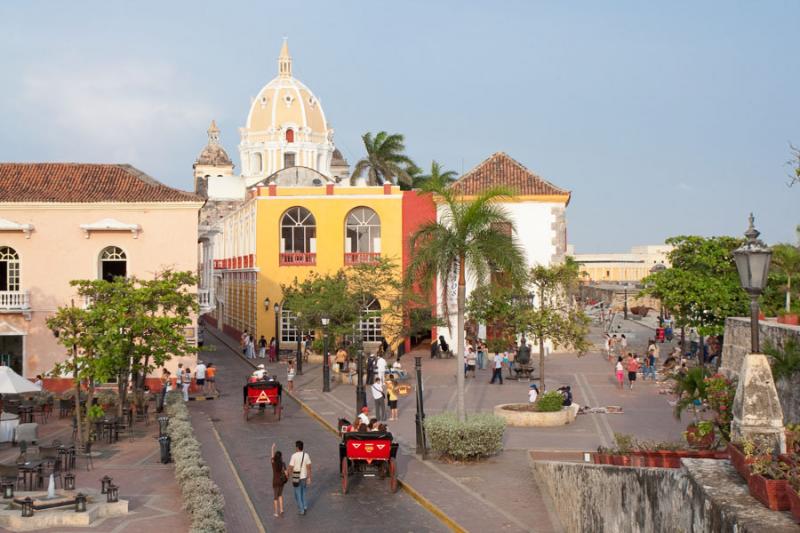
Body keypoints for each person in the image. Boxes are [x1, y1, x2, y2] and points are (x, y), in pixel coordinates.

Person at [287, 440, 311, 515]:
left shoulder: (294, 456)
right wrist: (309, 477)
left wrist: (289, 476)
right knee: (303, 492)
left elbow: (290, 467)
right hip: (304, 477)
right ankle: (305, 506)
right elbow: (309, 467)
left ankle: (302, 510)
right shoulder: (306, 455)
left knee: (297, 494)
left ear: (297, 447)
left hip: (296, 477)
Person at [271, 443, 287, 517]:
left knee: (275, 497)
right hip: (281, 482)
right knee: (280, 495)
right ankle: (281, 509)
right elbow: (286, 472)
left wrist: (272, 448)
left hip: (275, 482)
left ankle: (276, 512)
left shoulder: (273, 463)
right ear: (281, 457)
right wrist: (287, 477)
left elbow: (272, 457)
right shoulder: (283, 463)